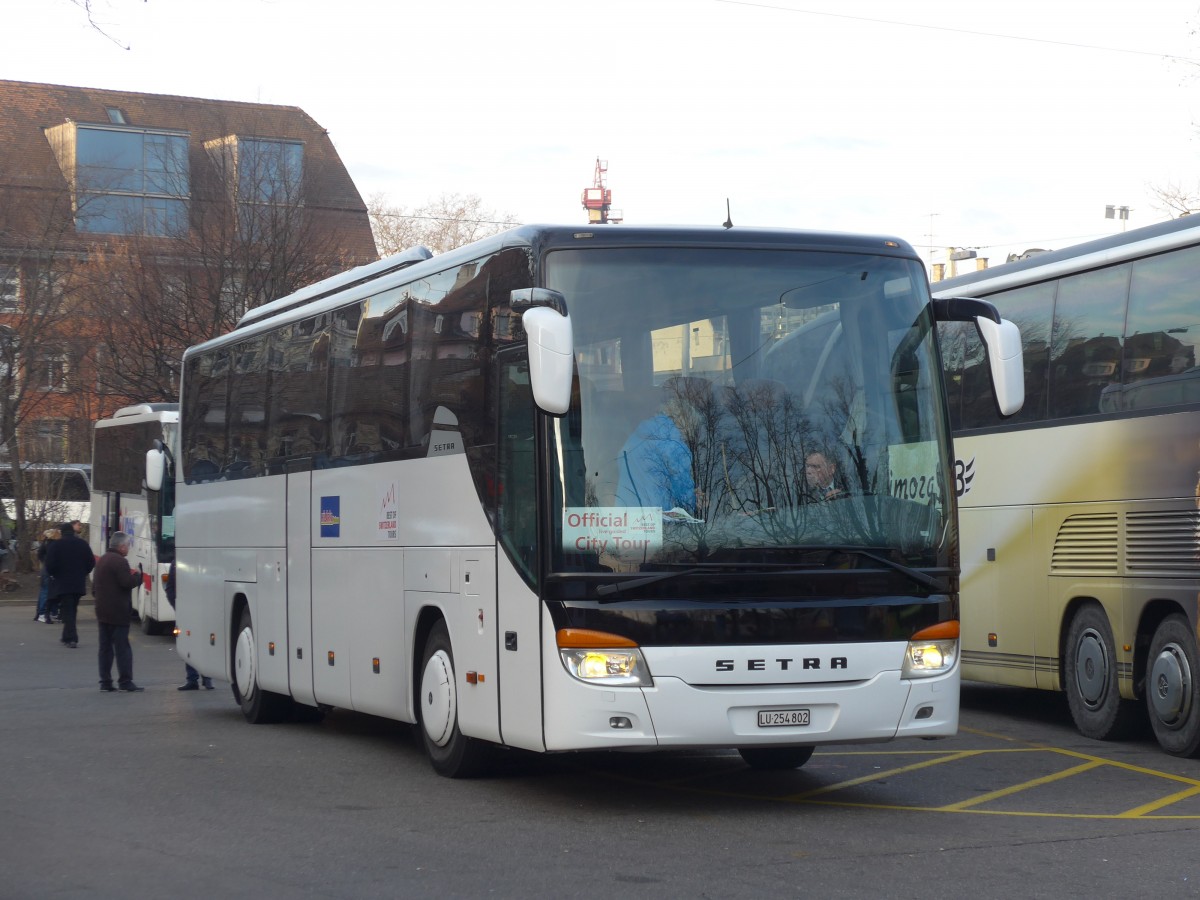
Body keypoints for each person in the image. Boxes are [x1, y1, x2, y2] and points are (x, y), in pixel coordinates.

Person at [92, 531, 144, 692]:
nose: (128, 549)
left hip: (102, 611)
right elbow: (126, 582)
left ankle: (105, 682)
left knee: (105, 649)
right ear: (121, 547)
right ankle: (125, 681)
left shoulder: (102, 560)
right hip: (118, 612)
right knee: (122, 648)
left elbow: (94, 589)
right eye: (127, 546)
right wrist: (138, 577)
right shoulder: (120, 562)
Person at [44, 519, 95, 648]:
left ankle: (72, 638)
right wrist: (83, 572)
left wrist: (54, 574)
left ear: (61, 532)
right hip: (78, 582)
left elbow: (49, 564)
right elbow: (91, 562)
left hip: (62, 582)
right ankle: (66, 636)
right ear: (72, 531)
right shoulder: (82, 544)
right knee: (72, 609)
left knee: (68, 610)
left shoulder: (56, 545)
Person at [165, 562, 212, 690]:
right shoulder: (204, 561)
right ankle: (206, 678)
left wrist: (178, 607)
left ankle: (193, 679)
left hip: (186, 610)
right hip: (199, 610)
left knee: (189, 643)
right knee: (201, 643)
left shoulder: (177, 564)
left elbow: (169, 589)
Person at [34, 527, 60, 623]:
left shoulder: (45, 543)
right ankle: (44, 613)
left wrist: (44, 562)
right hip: (49, 570)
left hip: (45, 569)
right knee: (47, 591)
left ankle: (41, 613)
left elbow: (40, 554)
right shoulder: (52, 544)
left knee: (44, 591)